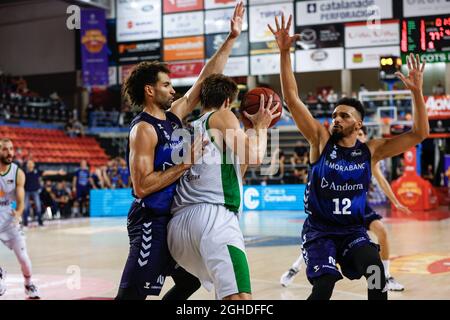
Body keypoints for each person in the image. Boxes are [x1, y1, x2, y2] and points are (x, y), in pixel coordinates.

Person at [269, 14, 428, 300]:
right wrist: (284, 52)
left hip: (353, 231)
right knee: (324, 284)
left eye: (344, 115)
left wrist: (417, 93)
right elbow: (291, 98)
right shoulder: (320, 140)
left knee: (376, 275)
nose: (336, 119)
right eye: (334, 115)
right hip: (320, 232)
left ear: (359, 125)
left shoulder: (372, 150)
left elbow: (419, 134)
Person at [115, 2, 245, 300]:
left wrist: (231, 39)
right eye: (166, 84)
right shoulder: (143, 130)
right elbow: (142, 186)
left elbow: (204, 79)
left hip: (175, 221)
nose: (173, 89)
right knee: (130, 296)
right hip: (150, 221)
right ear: (150, 90)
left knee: (189, 282)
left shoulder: (173, 116)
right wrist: (184, 165)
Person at [167, 74, 280, 300]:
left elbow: (237, 171)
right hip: (213, 219)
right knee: (239, 299)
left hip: (178, 229)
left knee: (222, 293)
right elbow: (256, 156)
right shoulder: (222, 115)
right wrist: (262, 126)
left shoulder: (188, 128)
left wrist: (249, 131)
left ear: (201, 100)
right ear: (228, 102)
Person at [280, 126, 412, 291]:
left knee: (382, 231)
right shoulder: (336, 153)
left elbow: (382, 180)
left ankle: (385, 275)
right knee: (325, 242)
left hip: (357, 206)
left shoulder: (367, 156)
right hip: (334, 207)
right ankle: (294, 268)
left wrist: (395, 201)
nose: (362, 138)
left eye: (364, 135)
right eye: (361, 134)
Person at [0, 138, 40, 299]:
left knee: (23, 258)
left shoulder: (18, 173)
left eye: (11, 149)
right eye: (5, 149)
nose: (9, 152)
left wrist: (18, 214)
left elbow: (21, 202)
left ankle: (29, 285)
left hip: (10, 219)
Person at [23, 160, 65, 227]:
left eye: (31, 163)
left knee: (38, 206)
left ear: (33, 165)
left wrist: (57, 172)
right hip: (26, 191)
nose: (30, 164)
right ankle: (25, 223)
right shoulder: (24, 172)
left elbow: (47, 172)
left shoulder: (36, 172)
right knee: (25, 207)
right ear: (27, 165)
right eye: (28, 163)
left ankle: (40, 222)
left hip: (35, 191)